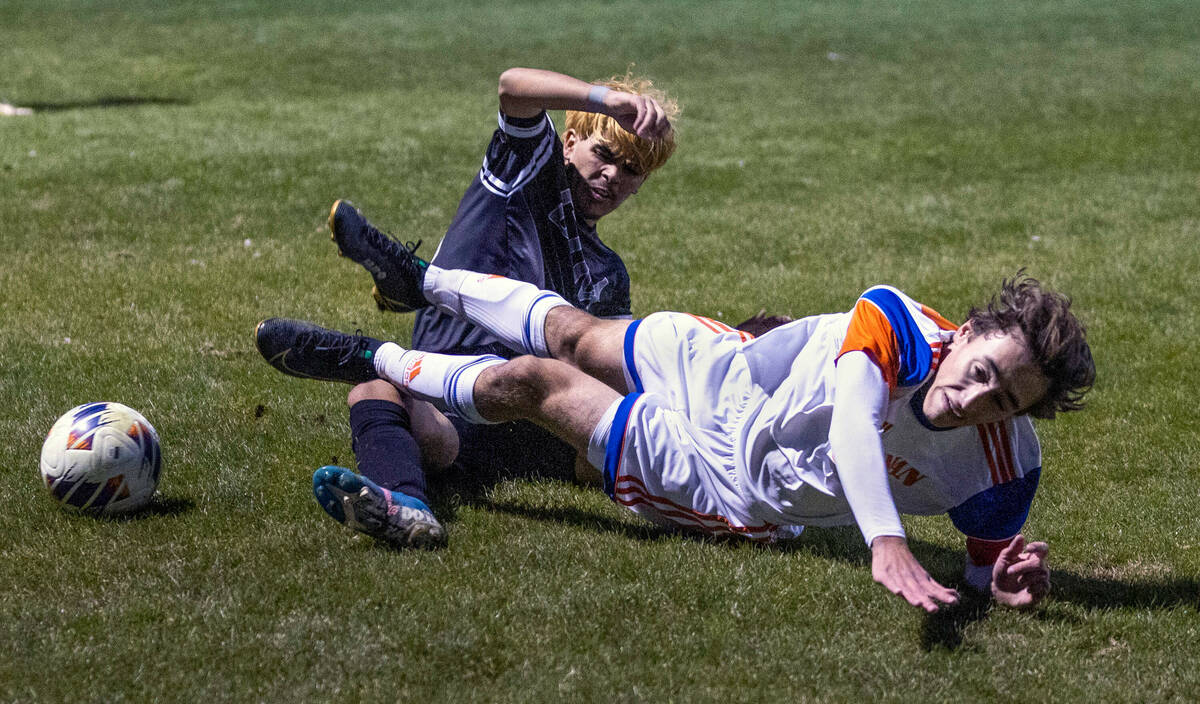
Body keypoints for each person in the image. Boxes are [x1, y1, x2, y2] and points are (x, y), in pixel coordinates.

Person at [254, 260, 1095, 612]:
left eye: (1004, 402)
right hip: (725, 375)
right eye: (982, 370)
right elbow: (852, 421)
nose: (974, 400)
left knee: (535, 384)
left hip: (722, 481)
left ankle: (373, 358)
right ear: (970, 331)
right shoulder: (899, 321)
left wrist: (1005, 583)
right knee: (579, 334)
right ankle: (420, 275)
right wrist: (884, 538)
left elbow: (988, 571)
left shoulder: (1005, 469)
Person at [319, 67, 683, 547]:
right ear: (569, 142)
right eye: (604, 154)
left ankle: (408, 281)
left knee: (636, 409)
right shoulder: (526, 171)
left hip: (531, 422)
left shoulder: (608, 272)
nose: (613, 175)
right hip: (450, 408)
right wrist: (605, 102)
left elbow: (614, 368)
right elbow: (514, 86)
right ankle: (403, 506)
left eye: (632, 170)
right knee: (376, 387)